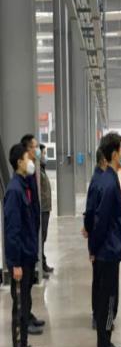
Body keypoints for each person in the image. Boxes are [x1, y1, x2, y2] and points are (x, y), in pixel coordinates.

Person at [89, 132, 121, 347]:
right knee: (107, 302)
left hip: (111, 251)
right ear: (114, 154)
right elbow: (100, 221)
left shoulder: (109, 179)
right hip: (106, 252)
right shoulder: (108, 183)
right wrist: (94, 248)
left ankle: (108, 340)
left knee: (112, 300)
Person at [4, 143, 42, 347]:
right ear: (19, 162)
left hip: (27, 257)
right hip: (20, 260)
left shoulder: (25, 185)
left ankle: (24, 346)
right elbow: (12, 231)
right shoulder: (14, 191)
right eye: (28, 157)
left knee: (25, 305)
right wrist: (15, 263)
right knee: (19, 310)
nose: (31, 161)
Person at [19, 134, 46, 334]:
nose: (37, 151)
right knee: (24, 284)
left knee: (28, 283)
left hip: (31, 236)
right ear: (26, 151)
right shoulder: (20, 183)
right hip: (25, 239)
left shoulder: (31, 173)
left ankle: (28, 315)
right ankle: (23, 320)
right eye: (34, 147)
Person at [83, 149, 108, 330]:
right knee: (100, 282)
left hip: (105, 243)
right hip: (102, 244)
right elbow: (91, 213)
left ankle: (103, 317)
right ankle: (99, 316)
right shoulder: (99, 182)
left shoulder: (105, 179)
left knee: (101, 282)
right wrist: (92, 247)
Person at [39, 145, 53, 276]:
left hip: (45, 209)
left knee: (43, 238)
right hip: (42, 209)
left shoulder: (42, 169)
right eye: (43, 153)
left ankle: (42, 264)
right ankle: (40, 267)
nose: (45, 156)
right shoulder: (37, 171)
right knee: (41, 238)